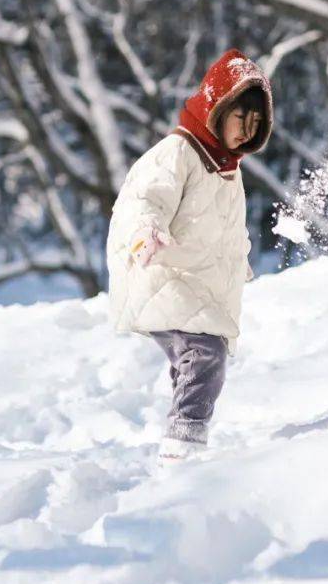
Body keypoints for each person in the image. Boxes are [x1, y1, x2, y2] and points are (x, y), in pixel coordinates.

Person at [106, 48, 274, 461]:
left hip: (197, 283)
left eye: (255, 125)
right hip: (163, 272)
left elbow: (221, 230)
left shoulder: (225, 168)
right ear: (217, 106)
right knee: (205, 356)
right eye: (240, 118)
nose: (245, 132)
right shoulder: (177, 152)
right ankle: (183, 445)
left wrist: (239, 261)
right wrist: (146, 232)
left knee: (194, 361)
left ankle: (182, 442)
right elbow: (143, 198)